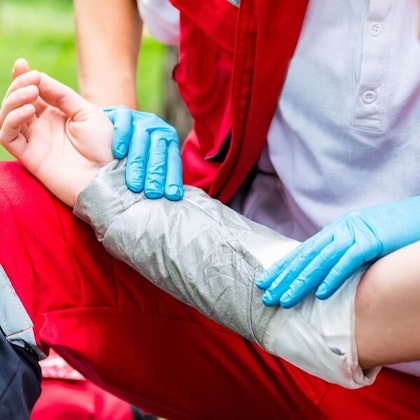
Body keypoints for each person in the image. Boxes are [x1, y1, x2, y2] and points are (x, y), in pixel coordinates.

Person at [1, 61, 420, 418]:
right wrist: (113, 169)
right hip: (255, 327)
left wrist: (121, 204)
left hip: (360, 348)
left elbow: (326, 320)